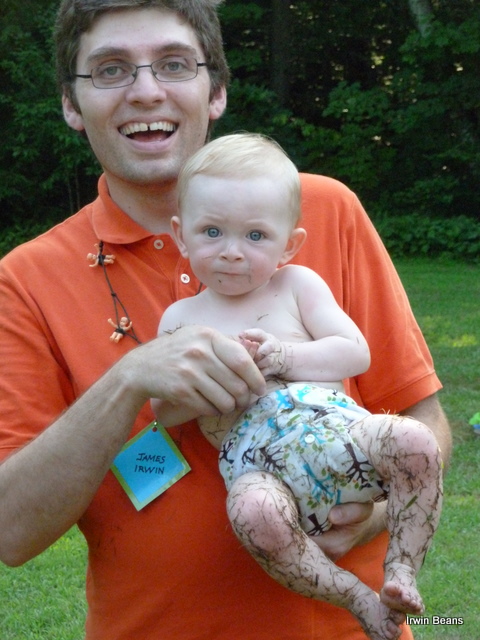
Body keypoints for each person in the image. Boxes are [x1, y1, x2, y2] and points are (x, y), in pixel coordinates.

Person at [0, 2, 451, 639]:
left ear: (216, 91)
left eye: (174, 64)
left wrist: (370, 512)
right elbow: (11, 531)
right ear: (72, 104)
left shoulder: (324, 209)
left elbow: (424, 421)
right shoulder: (24, 278)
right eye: (110, 69)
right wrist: (128, 381)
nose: (146, 91)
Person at [152, 133, 444, 640]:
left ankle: (400, 568)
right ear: (181, 235)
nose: (232, 253)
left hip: (340, 436)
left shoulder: (297, 286)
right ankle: (354, 595)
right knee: (252, 512)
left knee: (415, 441)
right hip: (258, 466)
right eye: (212, 232)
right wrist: (215, 386)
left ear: (289, 244)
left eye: (256, 236)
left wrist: (285, 357)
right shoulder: (180, 319)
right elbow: (164, 411)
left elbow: (355, 351)